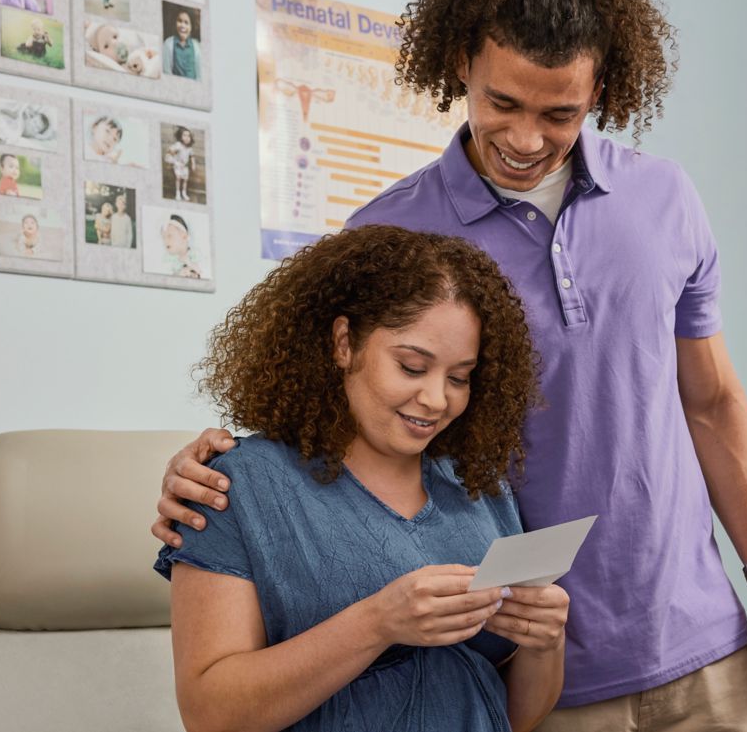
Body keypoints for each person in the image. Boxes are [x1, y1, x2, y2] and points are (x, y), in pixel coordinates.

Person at [152, 0, 747, 730]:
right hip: (529, 672)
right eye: (502, 103)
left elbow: (710, 402)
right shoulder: (388, 235)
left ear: (599, 90)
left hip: (704, 645)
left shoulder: (666, 200)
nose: (527, 139)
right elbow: (325, 409)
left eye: (559, 113)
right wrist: (210, 470)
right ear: (462, 62)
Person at [154, 225, 567, 731]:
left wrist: (545, 643)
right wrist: (378, 624)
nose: (438, 400)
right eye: (412, 367)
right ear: (344, 343)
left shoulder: (479, 490)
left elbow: (517, 717)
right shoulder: (237, 487)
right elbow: (210, 715)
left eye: (459, 377)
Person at [159, 213, 201, 277]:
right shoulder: (168, 262)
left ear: (184, 236)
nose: (165, 241)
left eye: (169, 236)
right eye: (163, 237)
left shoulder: (196, 254)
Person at [163, 9, 200, 80]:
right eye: (179, 21)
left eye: (186, 23)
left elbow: (199, 75)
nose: (182, 25)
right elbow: (166, 71)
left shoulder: (196, 46)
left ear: (191, 27)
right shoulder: (168, 43)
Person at [165, 125, 194, 200]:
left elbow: (192, 156)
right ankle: (177, 193)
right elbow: (170, 151)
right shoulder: (178, 145)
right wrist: (173, 160)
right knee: (178, 178)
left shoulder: (189, 148)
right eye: (184, 135)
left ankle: (184, 193)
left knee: (185, 180)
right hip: (178, 164)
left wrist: (193, 164)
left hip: (185, 166)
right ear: (180, 136)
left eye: (188, 136)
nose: (187, 138)